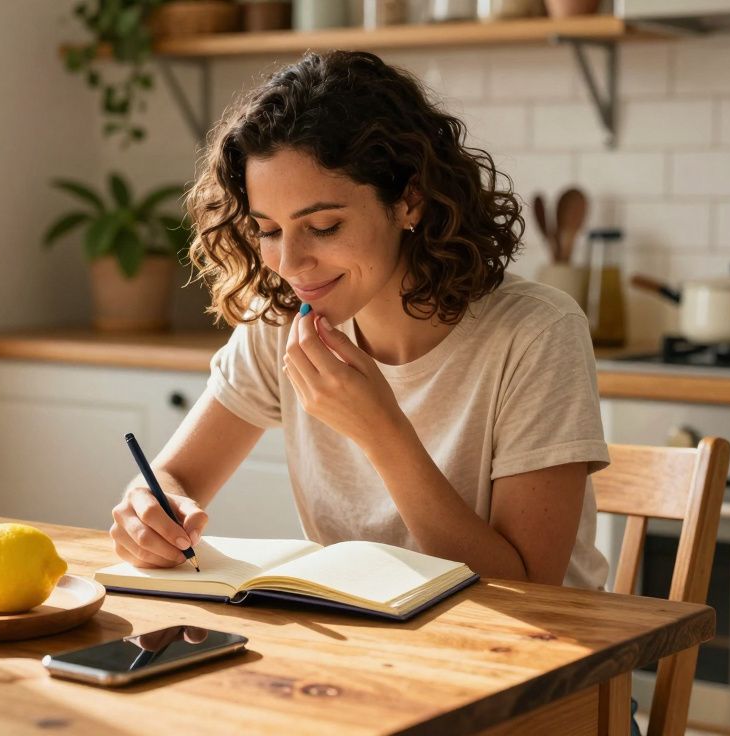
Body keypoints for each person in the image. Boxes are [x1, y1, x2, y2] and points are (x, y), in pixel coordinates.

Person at [108, 50, 611, 593]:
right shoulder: (282, 321)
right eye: (269, 229)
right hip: (372, 655)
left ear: (409, 200)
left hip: (538, 660)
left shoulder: (535, 334)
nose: (290, 264)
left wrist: (381, 430)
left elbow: (530, 589)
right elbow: (174, 478)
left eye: (323, 226)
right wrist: (149, 509)